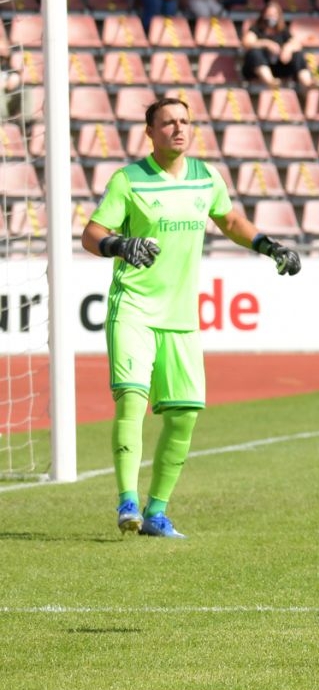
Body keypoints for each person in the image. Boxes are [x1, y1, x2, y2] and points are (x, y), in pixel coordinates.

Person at [83, 97, 302, 539]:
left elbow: (231, 220)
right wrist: (121, 246)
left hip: (181, 316)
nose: (177, 129)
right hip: (134, 308)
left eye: (184, 121)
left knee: (184, 415)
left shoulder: (206, 177)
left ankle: (157, 513)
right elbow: (92, 234)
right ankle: (127, 501)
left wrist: (271, 247)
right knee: (132, 398)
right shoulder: (128, 181)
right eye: (167, 123)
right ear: (150, 131)